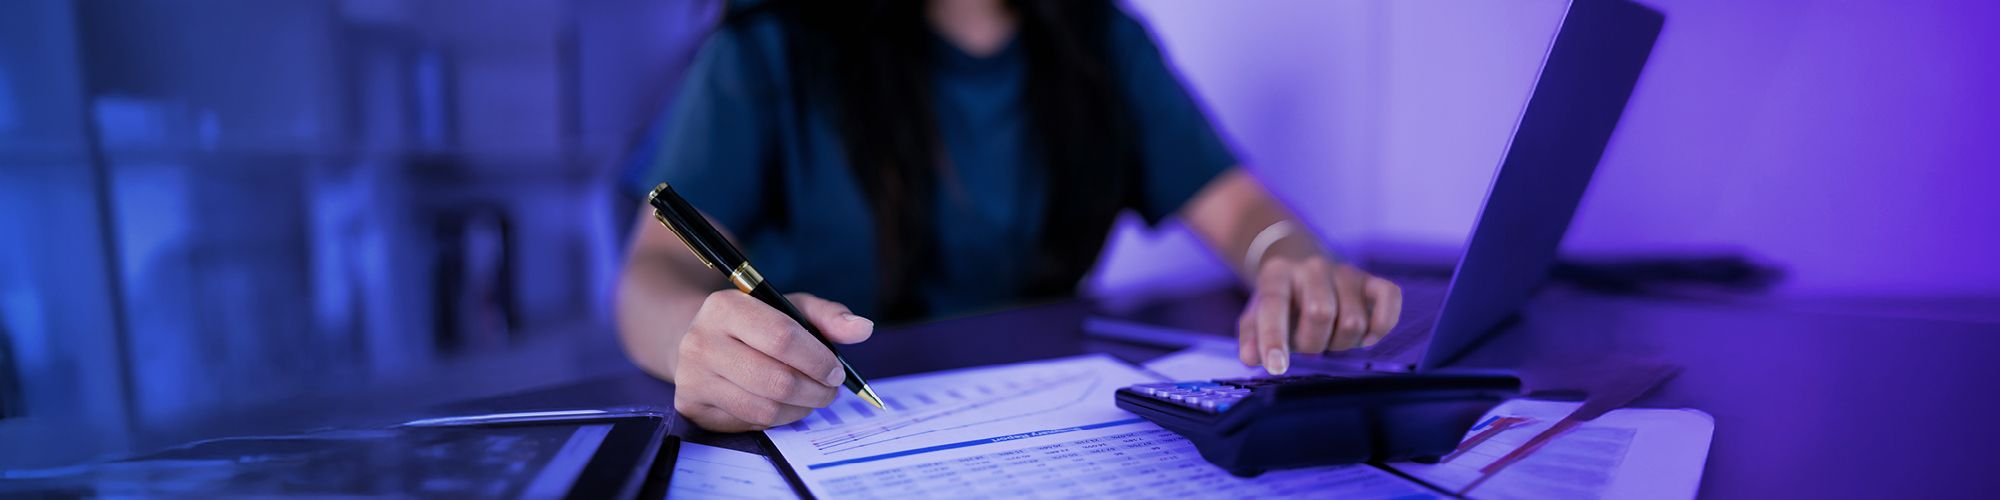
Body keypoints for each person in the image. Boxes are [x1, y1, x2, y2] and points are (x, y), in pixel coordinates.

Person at [616, 0, 1403, 432]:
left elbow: (1242, 212)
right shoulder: (768, 46)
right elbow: (655, 271)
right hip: (814, 422)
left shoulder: (1107, 44)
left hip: (1046, 430)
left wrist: (1290, 259)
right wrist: (697, 341)